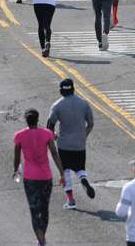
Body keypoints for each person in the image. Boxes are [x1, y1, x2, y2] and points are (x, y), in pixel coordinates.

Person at [12, 108, 64, 246]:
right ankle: (42, 238)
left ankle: (41, 241)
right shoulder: (47, 134)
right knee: (44, 208)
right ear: (37, 119)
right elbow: (54, 153)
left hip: (30, 178)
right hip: (46, 177)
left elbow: (17, 156)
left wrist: (15, 170)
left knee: (34, 209)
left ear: (26, 120)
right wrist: (62, 173)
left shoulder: (19, 135)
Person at [47, 78, 95, 209]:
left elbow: (49, 126)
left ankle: (71, 200)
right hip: (79, 143)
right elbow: (90, 124)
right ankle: (83, 179)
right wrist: (83, 135)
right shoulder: (84, 103)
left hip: (64, 145)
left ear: (61, 91)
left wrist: (54, 135)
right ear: (73, 89)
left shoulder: (57, 106)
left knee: (65, 171)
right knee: (80, 168)